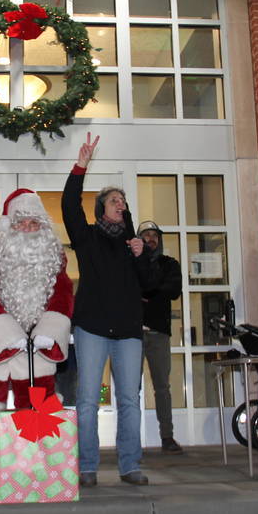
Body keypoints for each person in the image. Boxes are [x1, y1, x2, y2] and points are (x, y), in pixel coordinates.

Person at [0, 189, 74, 494]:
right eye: (23, 222)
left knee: (38, 406)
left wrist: (50, 329)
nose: (29, 229)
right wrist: (7, 335)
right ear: (10, 223)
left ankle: (35, 473)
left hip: (38, 343)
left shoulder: (53, 254)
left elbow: (63, 294)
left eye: (35, 223)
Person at [62, 133, 153, 487]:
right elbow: (70, 205)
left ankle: (130, 465)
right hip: (92, 327)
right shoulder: (87, 237)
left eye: (124, 199)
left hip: (129, 330)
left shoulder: (135, 244)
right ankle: (87, 467)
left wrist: (141, 255)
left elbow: (149, 284)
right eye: (115, 199)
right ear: (103, 207)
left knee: (130, 399)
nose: (121, 202)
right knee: (87, 401)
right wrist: (79, 166)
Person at [136, 220, 184, 455]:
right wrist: (151, 291)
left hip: (158, 334)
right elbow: (126, 289)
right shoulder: (130, 263)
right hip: (132, 335)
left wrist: (149, 292)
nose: (151, 238)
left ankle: (167, 436)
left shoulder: (169, 264)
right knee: (130, 388)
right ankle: (130, 438)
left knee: (162, 388)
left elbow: (173, 290)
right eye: (146, 234)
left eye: (155, 235)